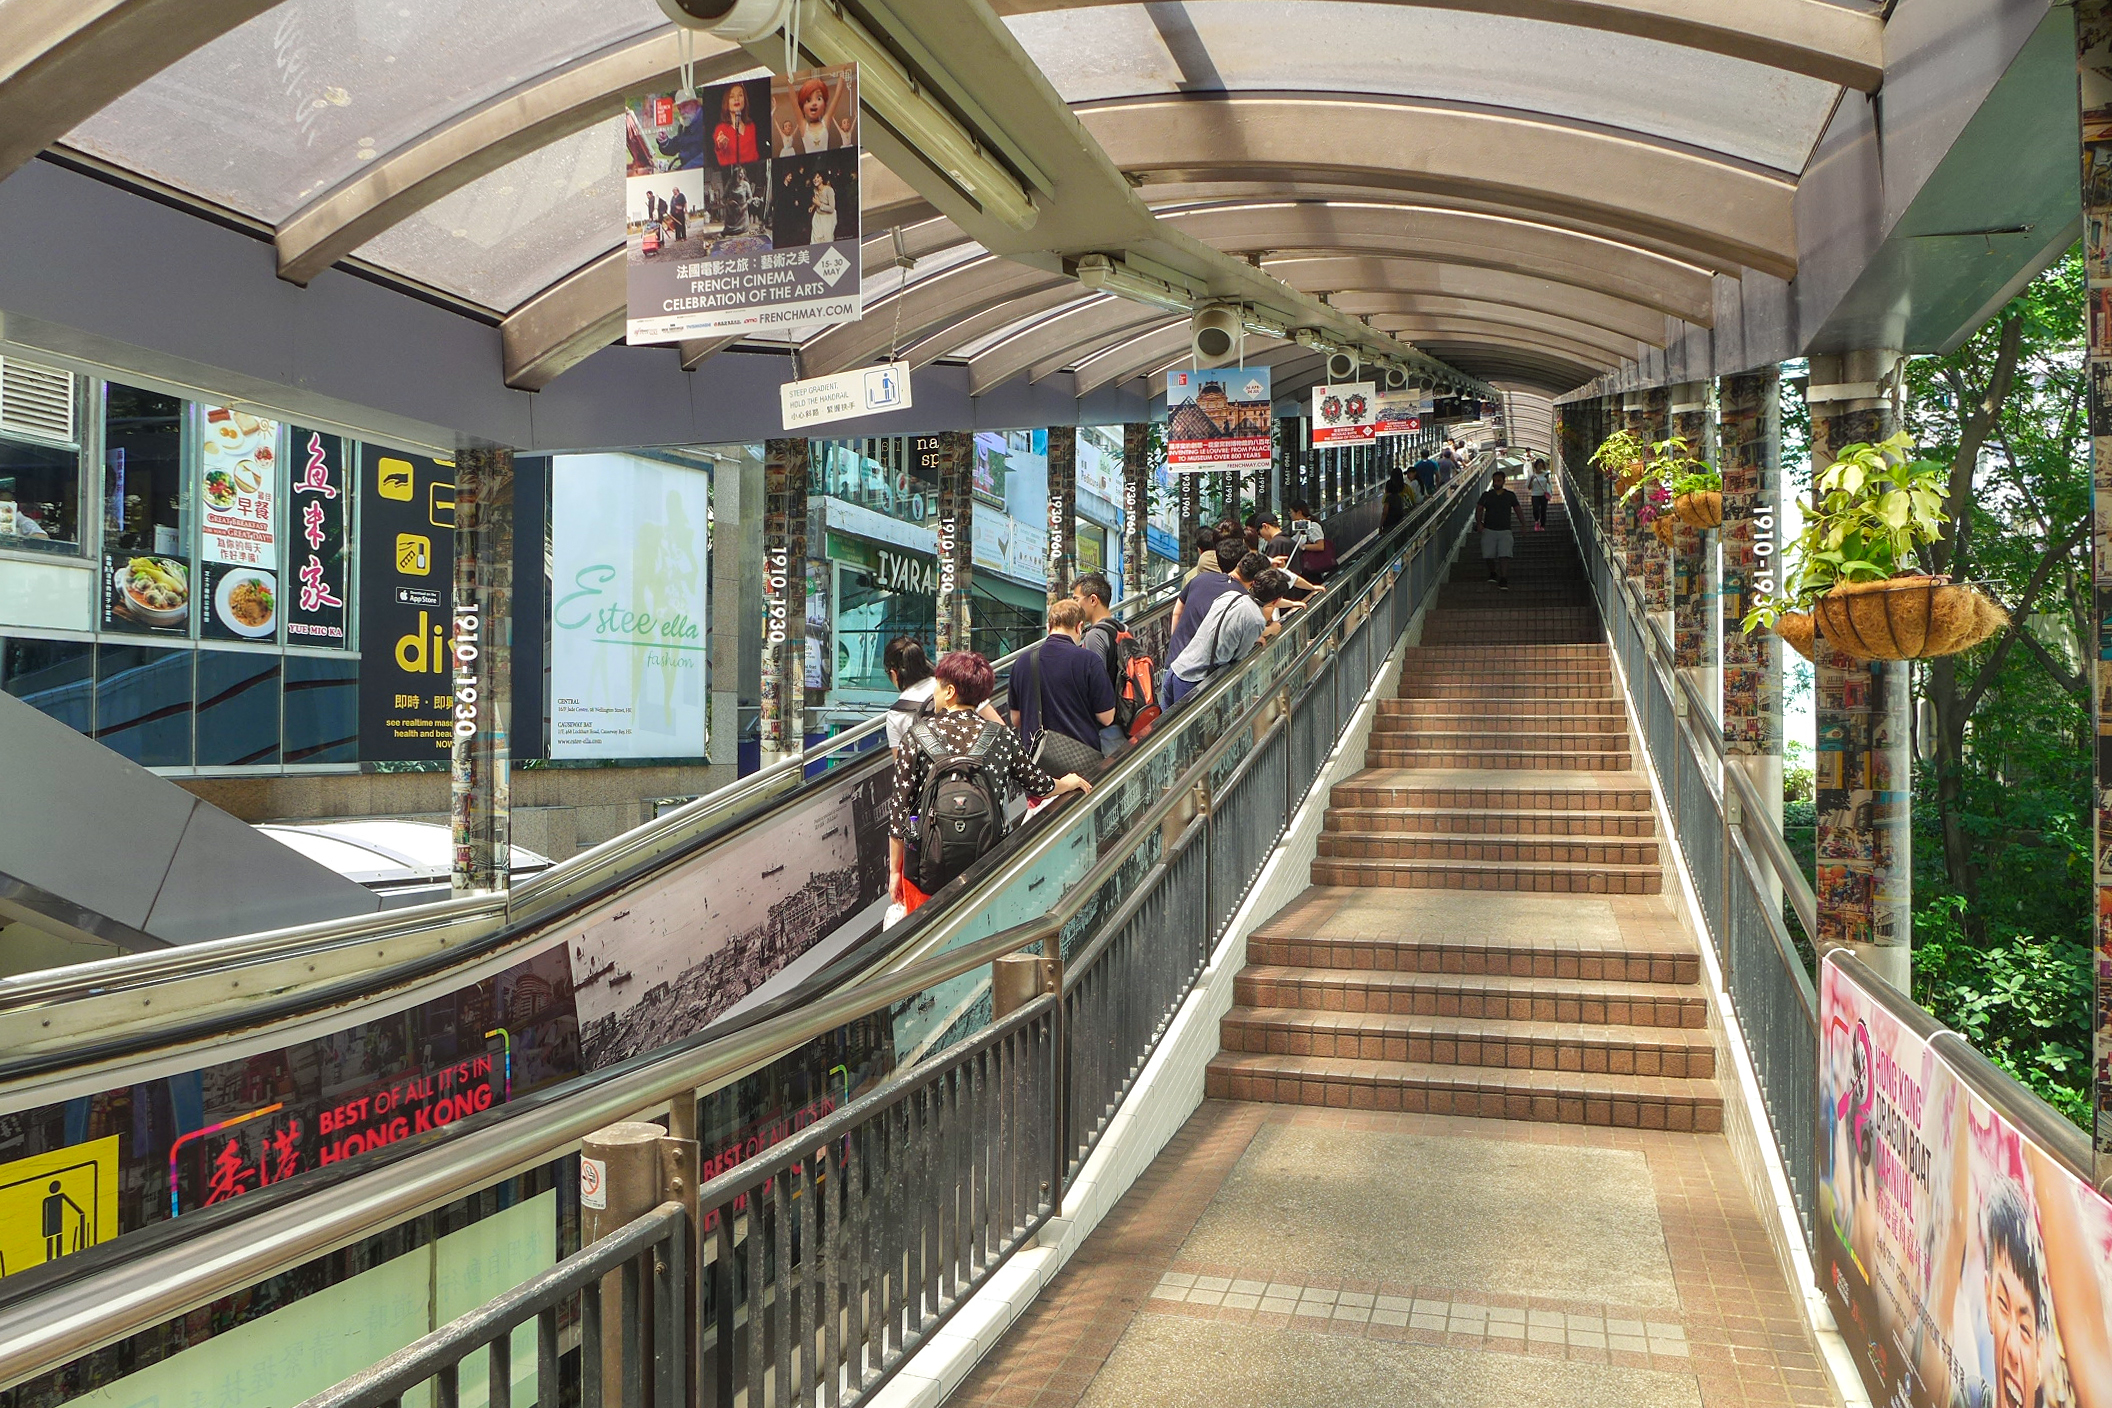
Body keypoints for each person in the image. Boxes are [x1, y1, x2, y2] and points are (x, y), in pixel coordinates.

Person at [887, 651, 1091, 914]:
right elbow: (1038, 784)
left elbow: (900, 810)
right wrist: (1066, 782)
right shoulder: (1001, 736)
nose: (934, 692)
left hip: (928, 868)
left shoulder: (916, 737)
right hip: (988, 863)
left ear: (949, 691)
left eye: (937, 685)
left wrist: (894, 871)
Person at [1163, 554, 1288, 707]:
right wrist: (1264, 632)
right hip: (1195, 680)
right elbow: (1239, 656)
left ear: (1254, 584)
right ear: (1275, 600)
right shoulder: (1256, 619)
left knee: (1168, 727)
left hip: (1176, 669)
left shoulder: (1230, 595)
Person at [1006, 598, 1116, 766]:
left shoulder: (1022, 662)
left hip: (1036, 769)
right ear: (1079, 627)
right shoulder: (1089, 661)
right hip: (1081, 764)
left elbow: (1016, 719)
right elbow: (1107, 717)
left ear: (1048, 627)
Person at [777, 75, 855, 155]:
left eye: (819, 99)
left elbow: (837, 96)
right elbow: (794, 102)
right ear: (803, 106)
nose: (814, 103)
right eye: (808, 100)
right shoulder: (803, 126)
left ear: (824, 104)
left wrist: (842, 73)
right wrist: (789, 82)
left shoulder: (825, 122)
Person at [1476, 467, 1523, 589]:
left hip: (1505, 529)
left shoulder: (1510, 495)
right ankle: (1492, 572)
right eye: (1495, 480)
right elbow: (1479, 508)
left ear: (1503, 481)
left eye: (1499, 480)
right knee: (1488, 555)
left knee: (1504, 554)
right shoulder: (1487, 495)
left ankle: (1503, 578)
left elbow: (1518, 509)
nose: (1496, 483)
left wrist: (1523, 523)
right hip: (1489, 529)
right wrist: (1479, 523)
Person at [713, 84, 762, 166]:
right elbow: (721, 159)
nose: (736, 99)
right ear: (726, 102)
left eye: (740, 95)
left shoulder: (751, 127)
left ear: (745, 100)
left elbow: (755, 156)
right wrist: (721, 146)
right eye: (732, 96)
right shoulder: (721, 129)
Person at [810, 172, 838, 243]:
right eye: (814, 178)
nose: (815, 179)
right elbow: (817, 200)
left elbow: (832, 209)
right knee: (815, 241)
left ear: (822, 179)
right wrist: (813, 206)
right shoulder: (815, 190)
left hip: (828, 218)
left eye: (818, 177)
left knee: (826, 241)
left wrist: (819, 204)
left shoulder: (829, 190)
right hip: (817, 217)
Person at [1526, 457, 1552, 530]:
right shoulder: (1532, 475)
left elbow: (1549, 485)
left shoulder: (1545, 474)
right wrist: (1531, 480)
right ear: (1536, 466)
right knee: (1535, 509)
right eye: (1539, 465)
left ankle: (1542, 525)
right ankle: (1537, 521)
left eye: (1541, 465)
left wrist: (1547, 480)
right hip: (1535, 494)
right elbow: (1529, 487)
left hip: (1543, 494)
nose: (1540, 467)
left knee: (1543, 510)